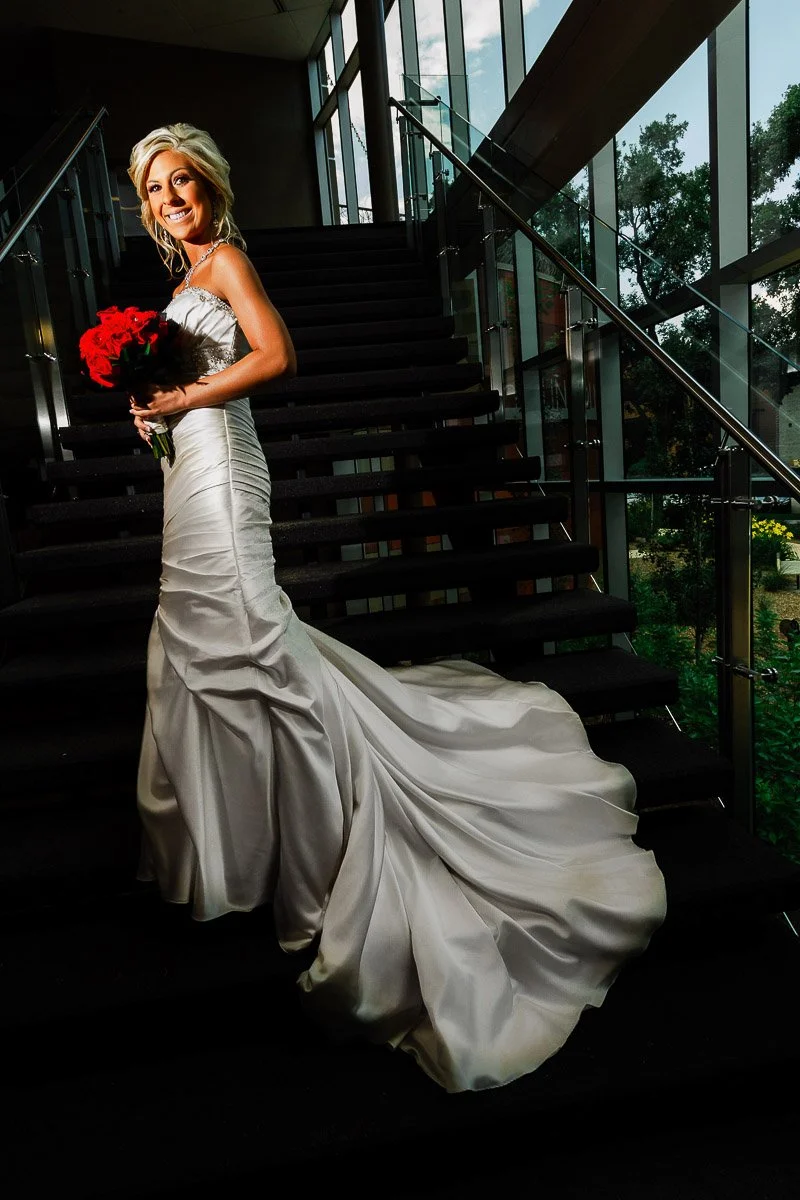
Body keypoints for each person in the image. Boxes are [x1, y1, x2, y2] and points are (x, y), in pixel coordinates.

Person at [127, 122, 667, 1093]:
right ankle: (242, 842)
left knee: (251, 639)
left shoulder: (230, 259)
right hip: (188, 474)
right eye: (156, 189)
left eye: (184, 182)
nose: (172, 198)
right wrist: (153, 408)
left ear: (211, 186)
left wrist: (180, 401)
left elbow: (276, 356)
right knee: (201, 640)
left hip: (225, 475)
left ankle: (327, 835)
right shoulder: (186, 277)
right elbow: (198, 379)